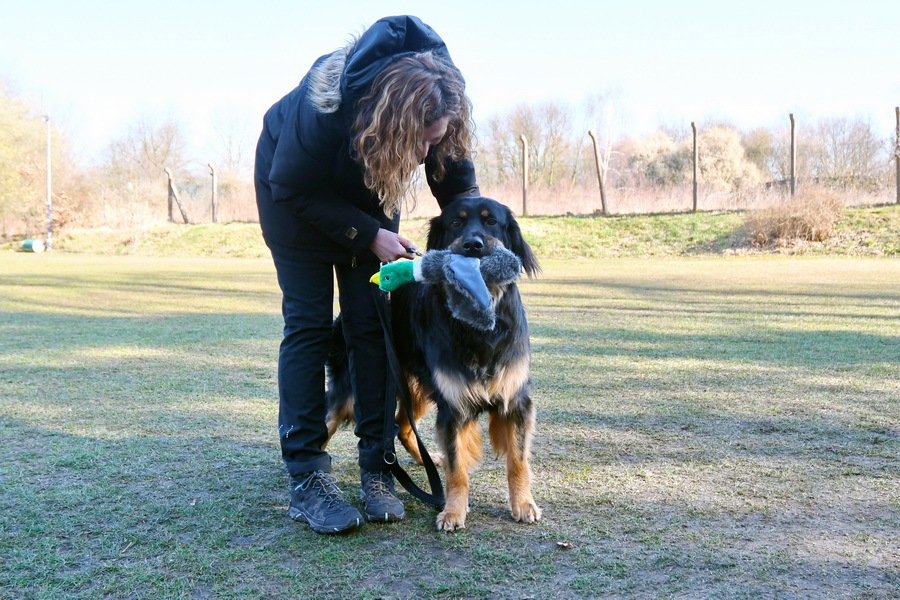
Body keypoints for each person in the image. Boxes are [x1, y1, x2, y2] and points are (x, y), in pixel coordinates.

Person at [254, 15, 480, 534]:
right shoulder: (323, 107)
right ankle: (308, 475)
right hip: (293, 194)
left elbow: (456, 187)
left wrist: (474, 250)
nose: (425, 153)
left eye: (435, 140)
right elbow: (291, 186)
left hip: (368, 191)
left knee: (372, 321)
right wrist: (368, 235)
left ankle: (376, 464)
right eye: (418, 142)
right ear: (392, 119)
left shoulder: (438, 99)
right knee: (310, 324)